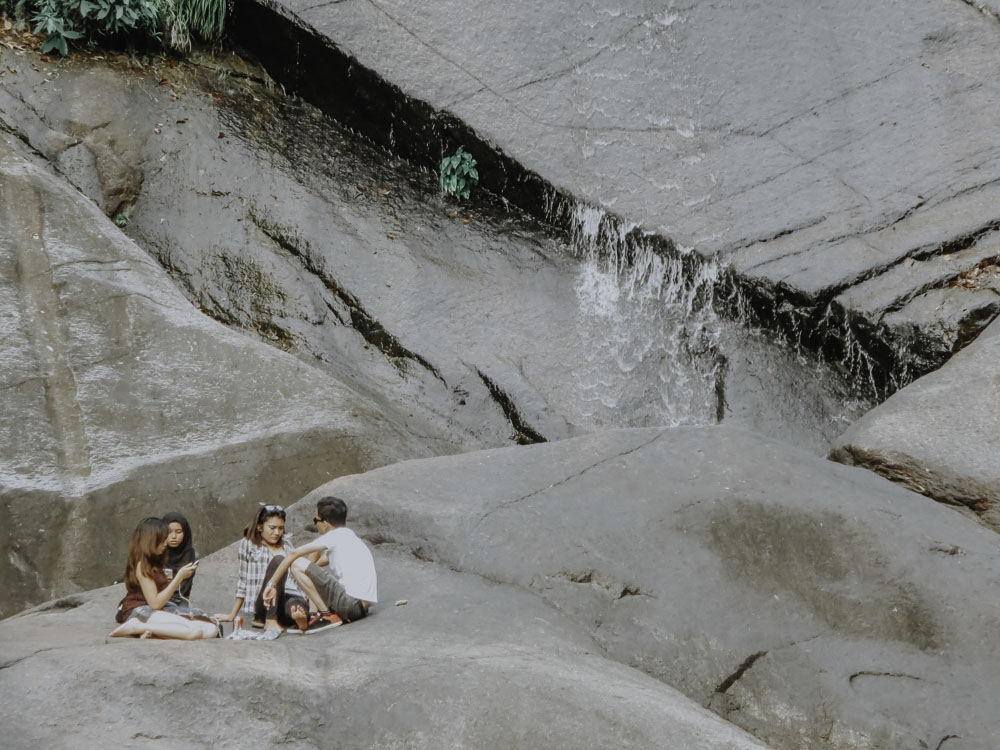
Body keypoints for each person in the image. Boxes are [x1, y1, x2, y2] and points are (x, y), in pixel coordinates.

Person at [263, 496, 376, 633]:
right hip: (360, 608)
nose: (315, 524)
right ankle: (314, 614)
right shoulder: (348, 536)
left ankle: (325, 614)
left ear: (326, 523)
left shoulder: (334, 537)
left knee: (295, 563)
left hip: (349, 604)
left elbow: (293, 555)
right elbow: (318, 563)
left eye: (316, 520)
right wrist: (305, 569)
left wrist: (272, 584)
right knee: (300, 567)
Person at [111, 517, 218, 640]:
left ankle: (149, 630)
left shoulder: (155, 560)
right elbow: (155, 603)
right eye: (161, 541)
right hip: (140, 610)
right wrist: (179, 578)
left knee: (211, 630)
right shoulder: (142, 565)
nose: (165, 544)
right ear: (150, 541)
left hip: (159, 609)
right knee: (194, 632)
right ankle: (137, 626)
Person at [214, 504, 310, 633]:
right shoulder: (249, 544)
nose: (277, 532)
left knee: (297, 606)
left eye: (281, 528)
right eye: (272, 528)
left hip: (288, 598)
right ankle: (270, 619)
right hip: (265, 601)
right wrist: (232, 614)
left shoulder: (287, 544)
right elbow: (243, 579)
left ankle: (299, 619)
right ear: (260, 527)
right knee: (279, 561)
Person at [162, 511, 198, 605]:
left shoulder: (190, 554)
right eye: (169, 532)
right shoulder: (157, 551)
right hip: (156, 598)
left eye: (178, 532)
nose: (174, 536)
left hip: (179, 600)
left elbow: (185, 589)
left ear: (185, 533)